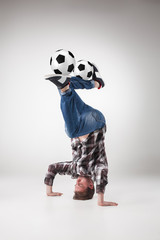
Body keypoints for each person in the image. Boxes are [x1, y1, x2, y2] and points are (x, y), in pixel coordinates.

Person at [44, 64, 118, 206]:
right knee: (71, 132)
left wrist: (49, 191)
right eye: (80, 185)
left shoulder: (74, 169)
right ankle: (64, 87)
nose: (76, 181)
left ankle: (96, 82)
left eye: (75, 185)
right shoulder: (97, 167)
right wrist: (101, 201)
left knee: (66, 88)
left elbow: (52, 168)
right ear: (91, 185)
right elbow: (101, 178)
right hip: (95, 122)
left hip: (80, 118)